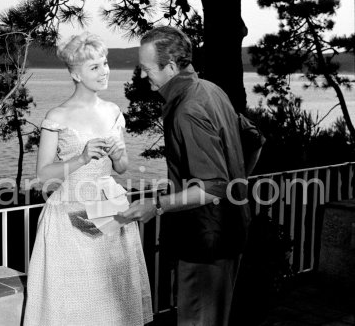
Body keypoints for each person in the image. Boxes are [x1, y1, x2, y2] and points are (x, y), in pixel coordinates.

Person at [119, 26, 250, 326]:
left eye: (147, 68)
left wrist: (157, 206)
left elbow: (213, 187)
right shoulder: (211, 89)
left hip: (205, 241)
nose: (143, 75)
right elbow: (254, 139)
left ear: (171, 66)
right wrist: (238, 185)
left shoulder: (187, 109)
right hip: (230, 230)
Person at [23, 32, 153, 326]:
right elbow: (43, 174)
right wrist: (80, 158)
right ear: (75, 74)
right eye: (94, 67)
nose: (104, 71)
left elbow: (122, 167)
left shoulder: (113, 111)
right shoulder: (57, 116)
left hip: (110, 210)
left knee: (112, 298)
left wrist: (119, 155)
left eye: (105, 63)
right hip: (69, 216)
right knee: (75, 299)